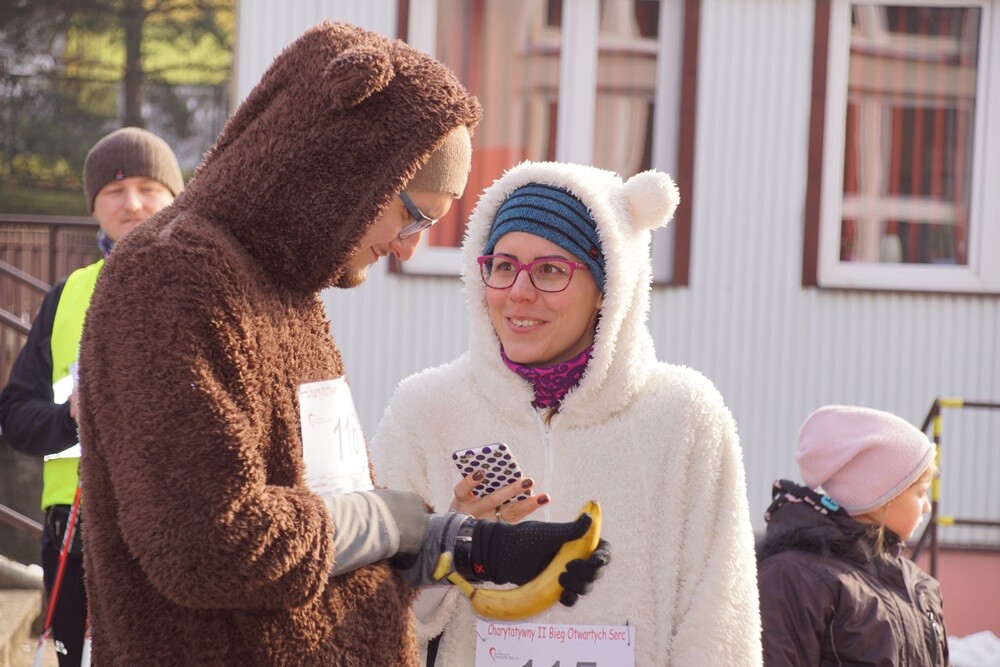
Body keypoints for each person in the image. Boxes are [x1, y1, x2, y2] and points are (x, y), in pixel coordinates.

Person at [74, 23, 607, 666]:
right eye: (413, 215)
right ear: (346, 165)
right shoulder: (172, 277)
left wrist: (458, 543)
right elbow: (206, 544)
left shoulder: (288, 292)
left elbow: (323, 516)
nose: (410, 245)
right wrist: (392, 520)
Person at [370, 161, 763, 665]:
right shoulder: (426, 409)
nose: (519, 292)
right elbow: (371, 614)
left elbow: (718, 628)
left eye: (551, 270)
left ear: (608, 288)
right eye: (504, 265)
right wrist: (459, 542)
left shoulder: (684, 417)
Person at [0, 127, 183, 667]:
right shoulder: (68, 295)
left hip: (167, 534)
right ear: (94, 206)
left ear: (174, 197)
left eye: (149, 188)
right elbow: (14, 416)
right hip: (70, 540)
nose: (132, 205)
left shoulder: (198, 287)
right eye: (114, 191)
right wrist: (71, 418)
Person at [757, 405, 948, 665]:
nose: (927, 506)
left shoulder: (918, 585)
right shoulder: (793, 577)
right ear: (882, 496)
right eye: (919, 492)